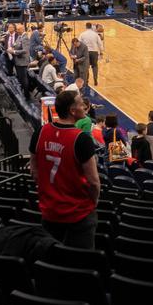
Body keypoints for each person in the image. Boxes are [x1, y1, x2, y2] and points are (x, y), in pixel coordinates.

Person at [31, 90, 101, 249]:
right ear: (72, 111)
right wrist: (94, 201)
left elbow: (33, 170)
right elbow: (94, 182)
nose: (84, 106)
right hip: (78, 213)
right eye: (81, 104)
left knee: (52, 256)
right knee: (80, 263)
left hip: (49, 211)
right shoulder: (81, 139)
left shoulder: (40, 132)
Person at [77, 22, 104, 87]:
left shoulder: (82, 34)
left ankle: (86, 81)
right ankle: (95, 80)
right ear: (91, 27)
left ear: (86, 27)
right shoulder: (95, 34)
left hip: (86, 52)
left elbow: (79, 44)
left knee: (86, 67)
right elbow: (100, 44)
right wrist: (101, 52)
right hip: (94, 52)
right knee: (95, 66)